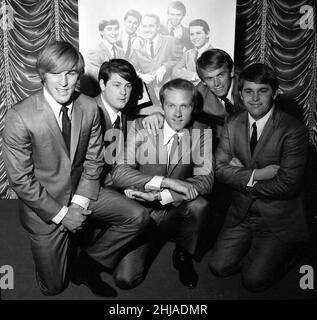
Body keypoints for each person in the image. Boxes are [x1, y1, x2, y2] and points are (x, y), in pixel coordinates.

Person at [2, 41, 149, 297]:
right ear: (42, 75)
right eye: (55, 73)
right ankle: (49, 249)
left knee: (139, 217)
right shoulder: (20, 116)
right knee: (54, 287)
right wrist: (62, 215)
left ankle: (88, 260)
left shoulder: (89, 107)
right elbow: (21, 179)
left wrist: (79, 204)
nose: (63, 82)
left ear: (78, 76)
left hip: (83, 190)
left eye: (70, 73)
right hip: (45, 205)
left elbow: (94, 161)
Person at [208, 63, 309, 292]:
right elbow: (220, 169)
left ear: (274, 92)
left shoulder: (293, 130)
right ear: (240, 94)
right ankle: (259, 253)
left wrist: (240, 176)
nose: (254, 98)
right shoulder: (233, 122)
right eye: (248, 91)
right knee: (218, 267)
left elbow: (288, 185)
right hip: (241, 214)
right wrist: (256, 175)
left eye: (262, 91)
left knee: (253, 282)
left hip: (276, 218)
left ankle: (287, 252)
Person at [111, 78, 214, 289]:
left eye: (184, 106)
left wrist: (161, 195)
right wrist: (163, 183)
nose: (177, 114)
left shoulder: (202, 131)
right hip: (143, 212)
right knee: (125, 279)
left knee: (200, 205)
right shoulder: (140, 126)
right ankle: (151, 239)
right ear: (162, 106)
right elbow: (119, 173)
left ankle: (184, 252)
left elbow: (206, 180)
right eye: (171, 106)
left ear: (193, 107)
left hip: (177, 208)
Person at [129, 13, 180, 105]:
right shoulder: (138, 45)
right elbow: (130, 67)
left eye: (151, 26)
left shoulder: (171, 41)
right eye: (145, 26)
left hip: (169, 91)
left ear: (158, 27)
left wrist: (165, 66)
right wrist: (140, 75)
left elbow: (181, 60)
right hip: (148, 95)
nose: (147, 30)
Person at [196, 48, 242, 143]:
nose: (217, 83)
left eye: (220, 75)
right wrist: (156, 115)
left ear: (231, 71)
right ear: (203, 81)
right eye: (209, 78)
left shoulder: (249, 86)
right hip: (222, 141)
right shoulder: (198, 94)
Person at [173, 19, 213, 85]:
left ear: (207, 34)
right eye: (192, 34)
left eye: (198, 33)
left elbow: (209, 78)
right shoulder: (187, 53)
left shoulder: (214, 54)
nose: (195, 37)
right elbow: (175, 72)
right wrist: (194, 75)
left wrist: (184, 74)